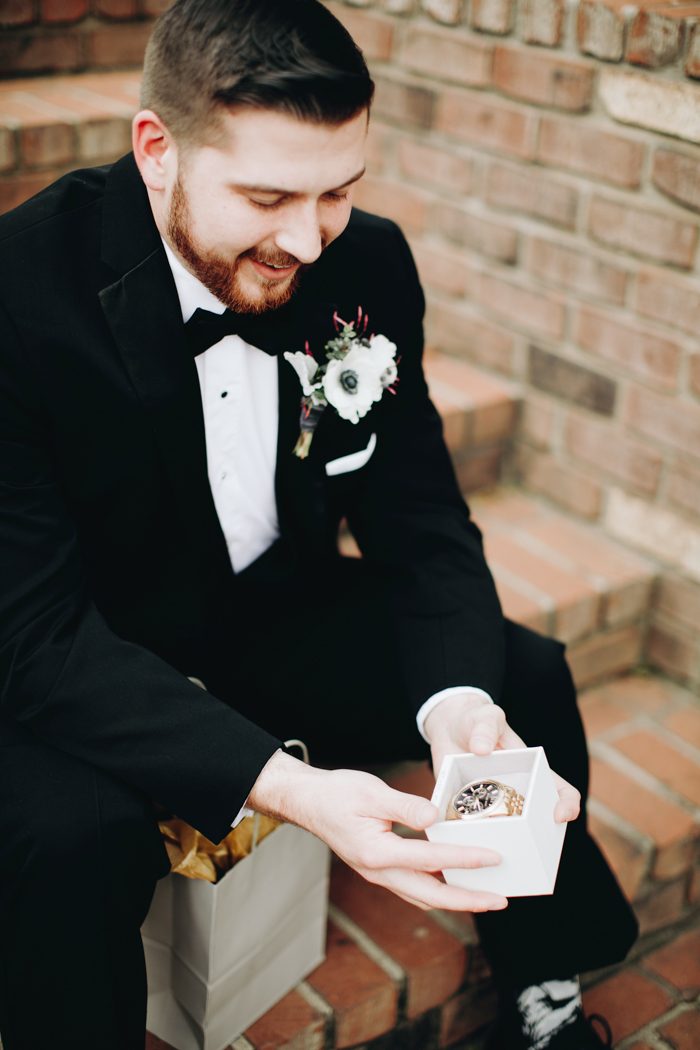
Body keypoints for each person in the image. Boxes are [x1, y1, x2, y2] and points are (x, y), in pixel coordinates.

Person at [0, 1, 637, 1047]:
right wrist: (295, 790)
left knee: (509, 676)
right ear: (157, 150)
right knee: (76, 837)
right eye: (267, 196)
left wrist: (452, 707)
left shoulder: (366, 264)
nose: (307, 238)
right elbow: (33, 639)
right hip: (86, 645)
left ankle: (542, 982)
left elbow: (420, 517)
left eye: (338, 190)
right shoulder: (20, 295)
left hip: (259, 607)